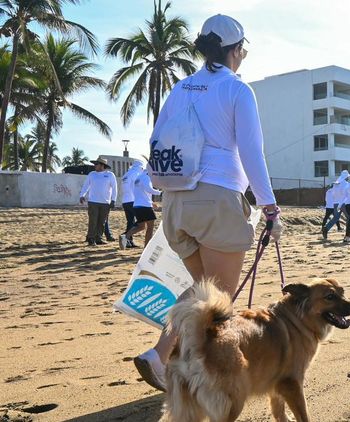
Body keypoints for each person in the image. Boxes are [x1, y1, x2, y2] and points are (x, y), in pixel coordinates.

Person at [133, 14, 281, 392]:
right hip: (216, 197)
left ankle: (178, 362)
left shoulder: (181, 88)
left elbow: (159, 139)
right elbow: (251, 151)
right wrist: (269, 206)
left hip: (176, 201)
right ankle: (160, 354)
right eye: (242, 49)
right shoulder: (236, 89)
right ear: (235, 51)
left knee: (202, 288)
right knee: (218, 298)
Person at [78, 157, 118, 246]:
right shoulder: (92, 174)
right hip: (93, 201)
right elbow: (86, 185)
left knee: (102, 222)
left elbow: (115, 189)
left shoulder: (110, 175)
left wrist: (113, 200)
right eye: (95, 164)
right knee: (93, 221)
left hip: (105, 202)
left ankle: (98, 238)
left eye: (96, 164)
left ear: (102, 166)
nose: (94, 166)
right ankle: (91, 239)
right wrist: (82, 195)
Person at [119, 168, 161, 249]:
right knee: (150, 228)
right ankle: (147, 248)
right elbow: (149, 189)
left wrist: (151, 202)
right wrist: (161, 192)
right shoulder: (147, 177)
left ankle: (125, 236)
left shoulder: (138, 177)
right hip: (145, 206)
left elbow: (141, 193)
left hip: (137, 205)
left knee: (141, 226)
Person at [120, 161, 144, 248]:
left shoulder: (126, 174)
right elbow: (138, 188)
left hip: (125, 201)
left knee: (130, 221)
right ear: (140, 167)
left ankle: (128, 241)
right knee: (141, 222)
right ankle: (125, 235)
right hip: (134, 200)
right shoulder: (136, 174)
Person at [322, 170, 350, 239]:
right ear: (346, 177)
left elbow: (333, 194)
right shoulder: (346, 184)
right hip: (343, 203)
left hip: (335, 203)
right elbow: (347, 194)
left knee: (335, 218)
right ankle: (348, 233)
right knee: (349, 218)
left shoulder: (336, 184)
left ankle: (326, 229)